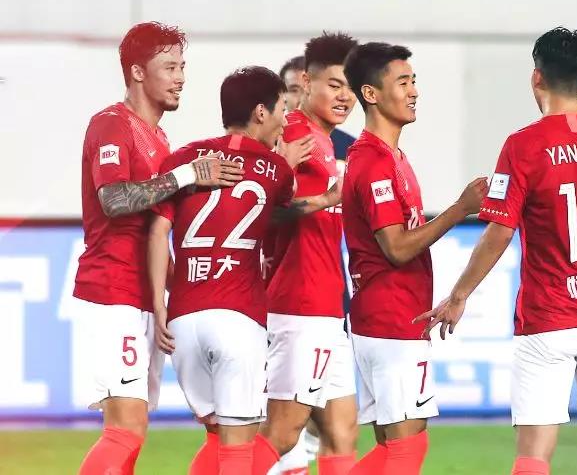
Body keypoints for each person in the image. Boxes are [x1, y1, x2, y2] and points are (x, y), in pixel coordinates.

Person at [416, 27, 577, 475]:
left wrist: (459, 295)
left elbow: (499, 231)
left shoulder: (523, 145)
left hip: (548, 314)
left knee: (534, 449)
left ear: (536, 77)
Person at [148, 65, 340, 474]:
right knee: (239, 450)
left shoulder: (183, 157)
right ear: (260, 112)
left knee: (215, 438)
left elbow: (158, 230)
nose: (285, 121)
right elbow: (281, 209)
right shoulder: (276, 170)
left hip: (182, 320)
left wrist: (160, 304)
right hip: (238, 318)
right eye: (281, 109)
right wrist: (309, 184)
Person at [73, 21, 245, 475]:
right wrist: (186, 175)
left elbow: (157, 230)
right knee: (124, 430)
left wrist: (178, 294)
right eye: (169, 67)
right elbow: (113, 200)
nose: (181, 77)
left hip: (142, 297)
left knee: (134, 431)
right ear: (137, 72)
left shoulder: (159, 139)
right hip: (111, 291)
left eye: (182, 67)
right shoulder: (112, 124)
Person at [342, 42, 487, 475]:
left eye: (414, 81)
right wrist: (460, 209)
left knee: (393, 448)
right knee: (407, 450)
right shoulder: (373, 162)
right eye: (403, 82)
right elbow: (397, 247)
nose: (414, 91)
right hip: (391, 320)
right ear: (371, 94)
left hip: (388, 318)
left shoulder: (392, 157)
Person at [255, 32, 360, 475]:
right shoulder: (292, 133)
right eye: (334, 85)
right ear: (305, 82)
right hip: (300, 304)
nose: (345, 97)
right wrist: (327, 199)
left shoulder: (329, 141)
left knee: (342, 433)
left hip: (328, 306)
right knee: (282, 433)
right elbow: (262, 209)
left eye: (350, 87)